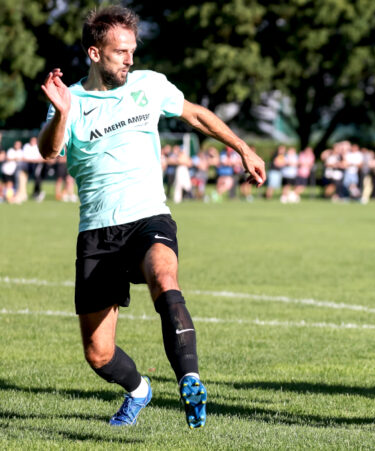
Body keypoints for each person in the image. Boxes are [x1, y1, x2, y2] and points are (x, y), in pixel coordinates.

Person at [37, 5, 265, 429]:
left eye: (132, 50)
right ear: (94, 52)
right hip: (97, 230)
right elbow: (50, 152)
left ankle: (190, 380)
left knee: (165, 278)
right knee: (98, 353)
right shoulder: (68, 99)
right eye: (120, 51)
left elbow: (195, 113)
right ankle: (140, 389)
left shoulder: (149, 85)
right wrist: (64, 113)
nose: (130, 58)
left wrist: (243, 148)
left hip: (148, 217)